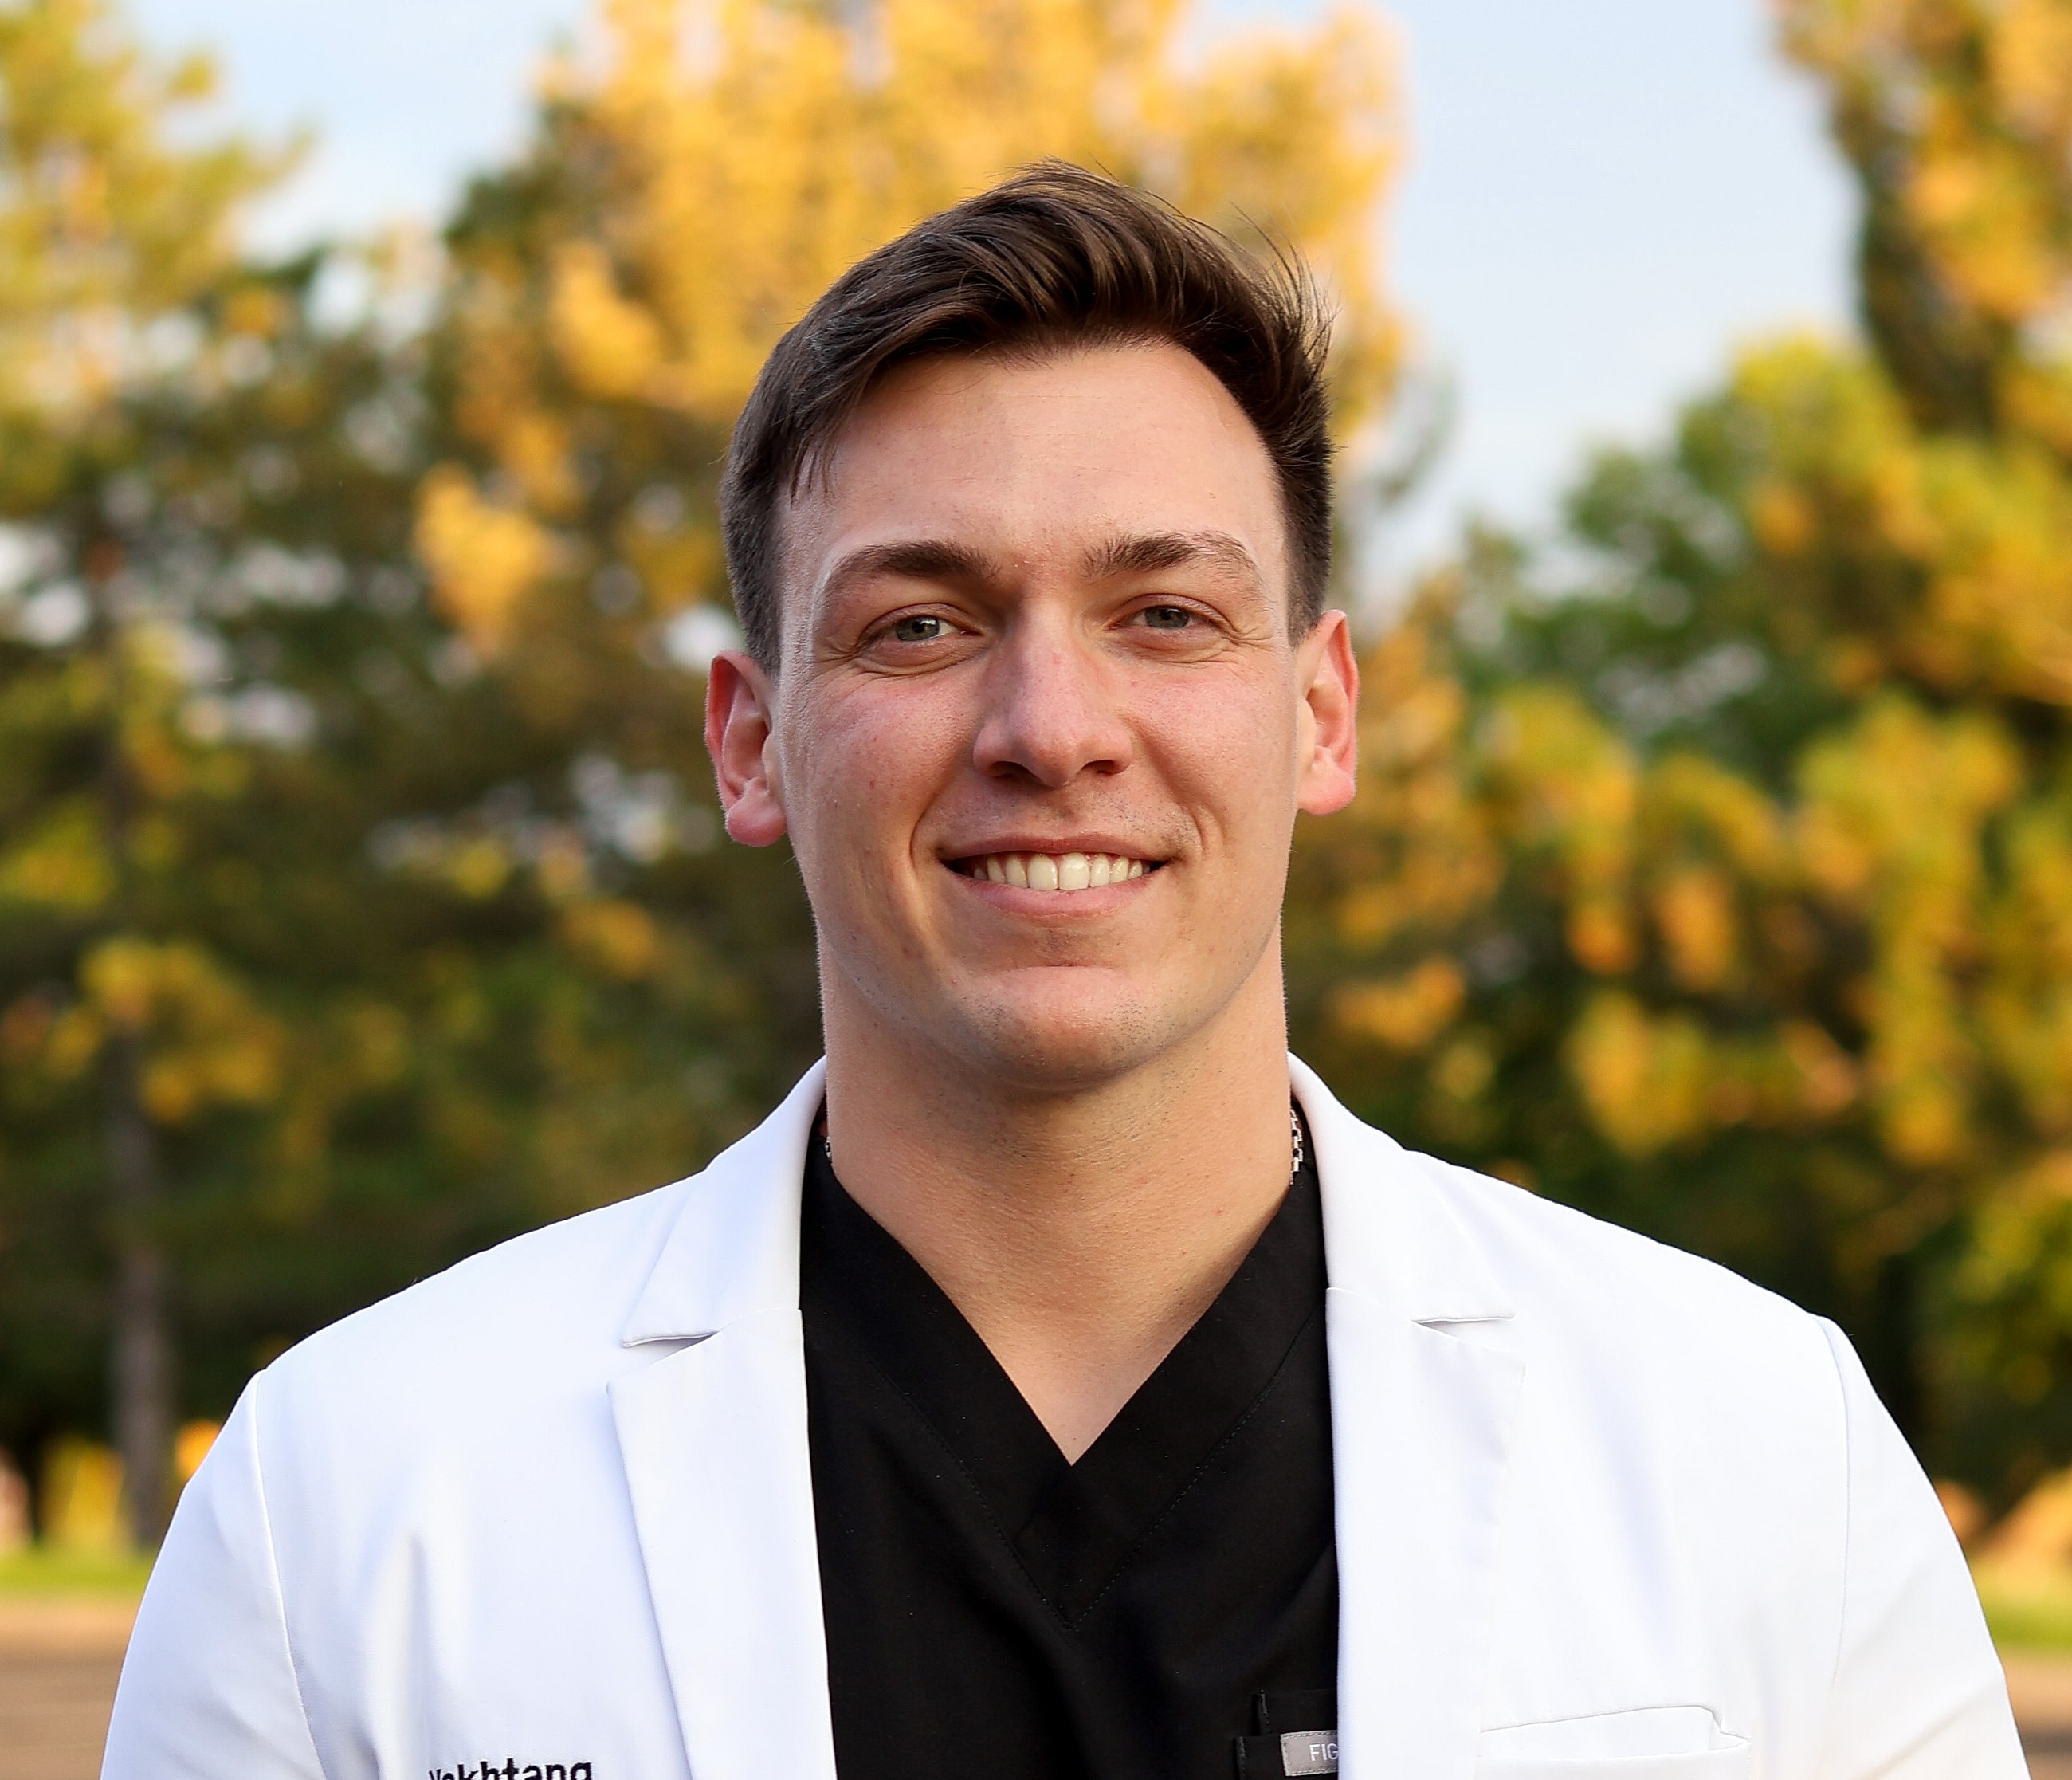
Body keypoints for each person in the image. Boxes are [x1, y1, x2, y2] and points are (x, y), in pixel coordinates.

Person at [103, 166, 2023, 1780]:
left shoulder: (1765, 1454)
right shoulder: (340, 1511)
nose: (1051, 723)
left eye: (1163, 612)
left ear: (1321, 711)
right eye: (922, 620)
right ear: (750, 740)